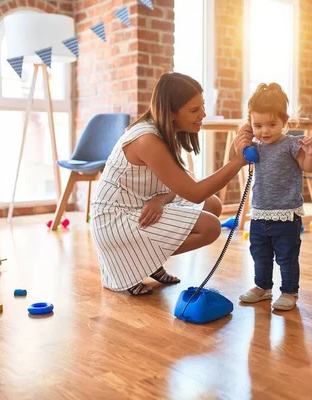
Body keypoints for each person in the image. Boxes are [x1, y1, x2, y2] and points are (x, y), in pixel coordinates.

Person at [90, 72, 253, 296]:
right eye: (194, 110)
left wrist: (159, 199)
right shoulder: (147, 140)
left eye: (202, 106)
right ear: (171, 113)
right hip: (115, 221)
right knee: (210, 226)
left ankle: (150, 260)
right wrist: (236, 163)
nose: (203, 114)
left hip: (139, 209)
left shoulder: (165, 132)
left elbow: (178, 187)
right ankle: (142, 260)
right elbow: (193, 193)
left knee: (212, 204)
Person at [238, 83, 312, 311]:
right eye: (258, 125)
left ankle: (289, 292)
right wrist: (245, 133)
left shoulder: (292, 144)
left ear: (285, 121)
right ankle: (262, 287)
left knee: (286, 257)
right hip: (260, 213)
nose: (265, 131)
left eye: (272, 124)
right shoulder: (254, 147)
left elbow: (308, 166)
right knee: (259, 253)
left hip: (286, 214)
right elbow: (239, 149)